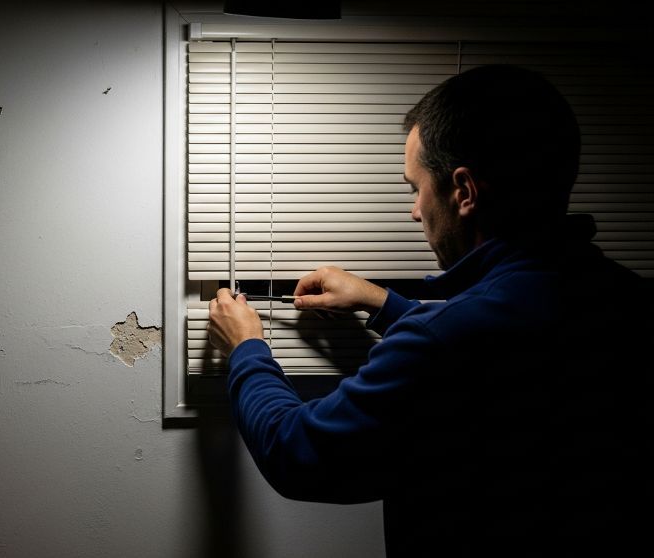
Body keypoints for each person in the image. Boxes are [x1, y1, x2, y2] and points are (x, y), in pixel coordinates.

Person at [207, 65, 652, 557]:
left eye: (415, 188)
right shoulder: (628, 301)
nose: (415, 211)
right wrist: (383, 303)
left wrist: (248, 347)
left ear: (464, 192)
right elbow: (500, 347)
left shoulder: (447, 342)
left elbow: (296, 453)